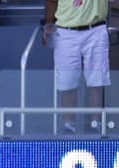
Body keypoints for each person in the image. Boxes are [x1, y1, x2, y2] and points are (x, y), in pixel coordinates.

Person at [43, 0, 110, 133]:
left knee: (96, 81)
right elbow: (51, 2)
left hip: (96, 29)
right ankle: (68, 126)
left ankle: (95, 125)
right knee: (67, 83)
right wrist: (48, 24)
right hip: (65, 31)